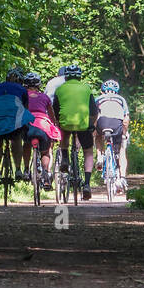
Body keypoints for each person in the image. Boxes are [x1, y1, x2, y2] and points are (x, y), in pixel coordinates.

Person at [52, 64, 98, 200]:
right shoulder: (86, 88)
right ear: (80, 76)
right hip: (83, 125)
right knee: (88, 151)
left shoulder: (60, 89)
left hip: (66, 123)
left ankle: (65, 158)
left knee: (64, 133)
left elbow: (55, 109)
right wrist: (92, 124)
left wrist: (58, 123)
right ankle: (87, 184)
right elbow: (94, 111)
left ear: (66, 76)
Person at [0, 67, 34, 184]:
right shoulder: (22, 90)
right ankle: (18, 169)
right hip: (13, 119)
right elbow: (25, 109)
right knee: (16, 140)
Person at [22, 72, 61, 190]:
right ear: (39, 84)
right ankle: (46, 174)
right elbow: (51, 114)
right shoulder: (45, 97)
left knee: (26, 145)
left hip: (28, 124)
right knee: (45, 152)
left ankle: (26, 170)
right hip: (43, 125)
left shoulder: (22, 97)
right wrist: (55, 124)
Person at [94, 79, 131, 178]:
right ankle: (122, 177)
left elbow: (93, 117)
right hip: (116, 124)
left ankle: (99, 157)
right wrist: (124, 133)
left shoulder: (98, 99)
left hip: (102, 122)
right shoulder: (121, 99)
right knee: (122, 149)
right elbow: (126, 119)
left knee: (97, 136)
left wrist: (93, 131)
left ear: (102, 91)